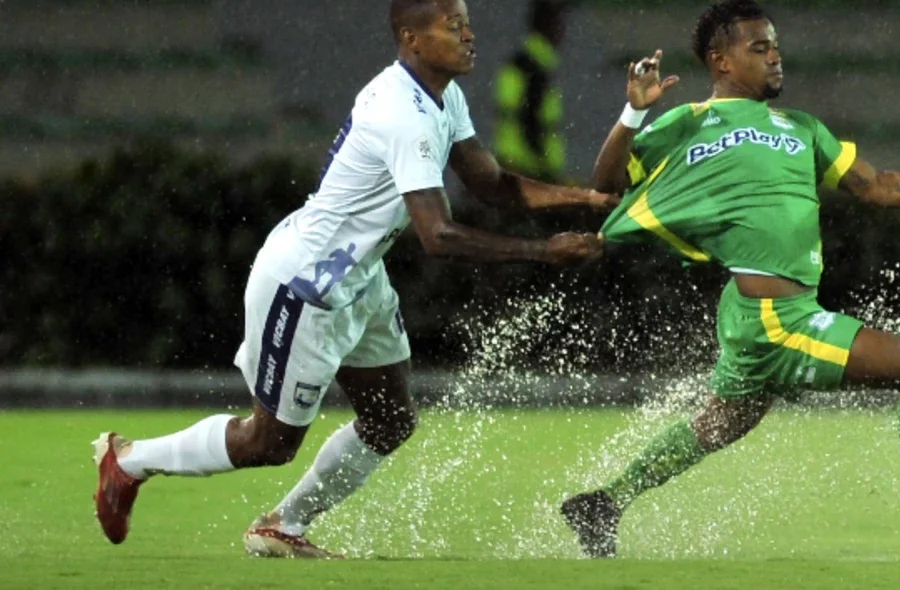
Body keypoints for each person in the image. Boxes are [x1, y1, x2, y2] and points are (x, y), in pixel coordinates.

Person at [92, 0, 610, 558]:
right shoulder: (401, 112)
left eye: (467, 21)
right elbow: (439, 236)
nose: (469, 34)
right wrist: (543, 251)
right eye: (453, 25)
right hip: (308, 282)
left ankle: (283, 526)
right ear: (412, 38)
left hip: (360, 277)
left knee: (389, 420)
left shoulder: (443, 95)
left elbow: (490, 183)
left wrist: (583, 197)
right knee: (268, 443)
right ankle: (128, 462)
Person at [560, 0, 900, 559]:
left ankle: (605, 501)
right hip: (776, 315)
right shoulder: (688, 122)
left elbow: (877, 187)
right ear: (720, 61)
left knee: (725, 421)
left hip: (760, 311)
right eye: (759, 48)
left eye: (775, 46)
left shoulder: (803, 128)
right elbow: (606, 186)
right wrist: (633, 115)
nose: (775, 57)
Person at [493, 0, 571, 183]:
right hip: (527, 170)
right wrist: (547, 172)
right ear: (548, 27)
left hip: (512, 164)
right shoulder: (536, 70)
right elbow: (531, 122)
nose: (563, 31)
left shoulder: (520, 63)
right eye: (558, 23)